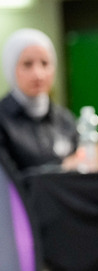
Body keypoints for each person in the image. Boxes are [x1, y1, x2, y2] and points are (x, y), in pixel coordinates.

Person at [0, 28, 79, 174]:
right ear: (10, 68)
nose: (38, 74)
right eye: (27, 64)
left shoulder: (65, 120)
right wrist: (60, 170)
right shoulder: (3, 120)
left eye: (45, 63)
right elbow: (8, 181)